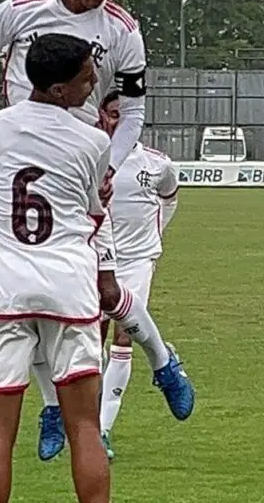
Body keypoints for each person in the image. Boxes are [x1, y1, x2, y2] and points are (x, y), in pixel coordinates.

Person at [0, 0, 195, 462]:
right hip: (20, 156)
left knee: (103, 291)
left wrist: (110, 163)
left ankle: (162, 361)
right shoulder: (22, 8)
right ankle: (53, 406)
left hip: (80, 164)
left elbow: (132, 112)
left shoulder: (124, 32)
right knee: (32, 299)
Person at [0, 33, 112, 503]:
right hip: (68, 289)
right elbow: (91, 215)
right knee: (85, 427)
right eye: (86, 79)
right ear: (57, 89)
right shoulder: (93, 141)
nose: (92, 85)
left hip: (5, 289)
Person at [96, 90, 179, 461]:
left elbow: (170, 197)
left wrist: (154, 240)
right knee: (86, 341)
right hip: (95, 260)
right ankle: (76, 419)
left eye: (120, 115)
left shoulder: (157, 163)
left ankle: (102, 430)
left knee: (123, 337)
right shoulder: (87, 157)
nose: (115, 121)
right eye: (110, 114)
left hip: (137, 261)